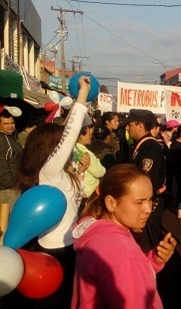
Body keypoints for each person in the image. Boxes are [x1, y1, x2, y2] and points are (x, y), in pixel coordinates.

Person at [13, 76, 92, 308]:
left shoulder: (63, 173)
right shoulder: (49, 171)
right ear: (50, 148)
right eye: (60, 145)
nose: (68, 149)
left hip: (71, 247)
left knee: (68, 299)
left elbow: (73, 204)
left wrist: (80, 175)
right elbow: (69, 134)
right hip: (52, 252)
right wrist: (83, 95)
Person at [71, 164, 177, 309]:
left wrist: (153, 261)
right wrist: (134, 261)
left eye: (150, 200)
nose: (148, 209)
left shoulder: (95, 232)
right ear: (111, 203)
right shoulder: (122, 253)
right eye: (139, 202)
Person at [124, 109, 167, 253]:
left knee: (146, 249)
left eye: (130, 125)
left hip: (147, 206)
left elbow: (147, 183)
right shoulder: (141, 145)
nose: (127, 128)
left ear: (140, 126)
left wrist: (139, 214)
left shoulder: (151, 147)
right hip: (141, 204)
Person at [74, 124, 106, 200]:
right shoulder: (86, 153)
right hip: (88, 192)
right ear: (81, 136)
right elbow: (100, 172)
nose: (91, 136)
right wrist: (98, 161)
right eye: (89, 134)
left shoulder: (72, 149)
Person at [0, 110, 23, 213]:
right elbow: (2, 166)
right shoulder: (2, 140)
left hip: (14, 187)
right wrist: (11, 184)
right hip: (7, 190)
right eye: (6, 123)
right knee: (7, 221)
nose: (10, 126)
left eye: (12, 123)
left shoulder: (12, 137)